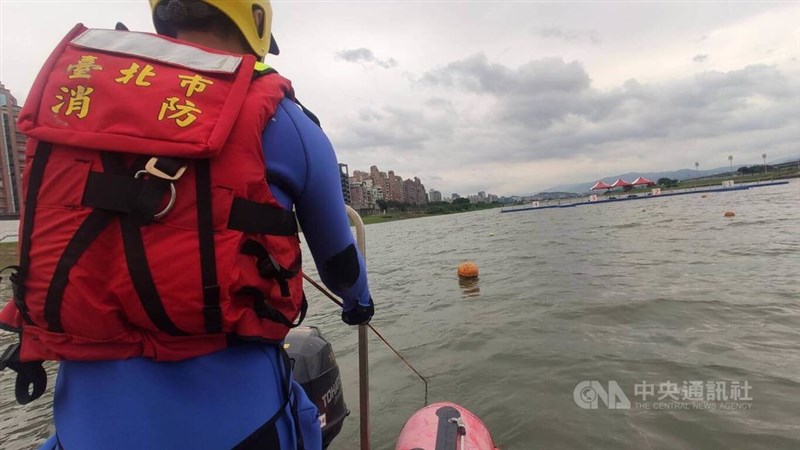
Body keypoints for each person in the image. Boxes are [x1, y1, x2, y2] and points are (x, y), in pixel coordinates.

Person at [0, 1, 373, 448]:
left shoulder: (75, 103)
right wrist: (358, 305)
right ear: (255, 22)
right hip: (242, 428)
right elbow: (340, 264)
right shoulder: (289, 123)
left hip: (85, 432)